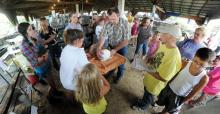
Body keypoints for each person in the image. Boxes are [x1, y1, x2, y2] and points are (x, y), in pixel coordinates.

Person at [131, 24, 182, 111]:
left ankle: (143, 106)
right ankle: (144, 101)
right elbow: (157, 59)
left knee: (149, 95)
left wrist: (145, 69)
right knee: (146, 92)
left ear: (170, 36)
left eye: (162, 33)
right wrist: (148, 60)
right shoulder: (164, 45)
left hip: (155, 85)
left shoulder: (174, 56)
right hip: (150, 79)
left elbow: (164, 78)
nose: (160, 34)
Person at [155, 48, 216, 114]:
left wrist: (181, 102)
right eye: (195, 61)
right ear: (194, 56)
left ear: (209, 65)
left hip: (179, 97)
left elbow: (193, 93)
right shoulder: (184, 63)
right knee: (163, 103)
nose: (197, 65)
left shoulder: (204, 78)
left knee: (169, 110)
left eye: (202, 65)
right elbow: (174, 76)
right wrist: (166, 85)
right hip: (169, 88)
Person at [18, 22, 56, 90]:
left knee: (50, 76)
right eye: (30, 30)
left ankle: (55, 89)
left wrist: (39, 39)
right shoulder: (24, 46)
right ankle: (54, 92)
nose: (33, 30)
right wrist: (45, 56)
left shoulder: (33, 37)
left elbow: (42, 42)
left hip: (46, 60)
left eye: (32, 28)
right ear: (24, 33)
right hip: (40, 65)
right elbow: (35, 61)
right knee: (48, 80)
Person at [96, 7, 129, 84]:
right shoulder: (107, 23)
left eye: (113, 19)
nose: (111, 21)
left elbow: (126, 41)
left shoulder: (125, 24)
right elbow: (103, 36)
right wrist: (99, 48)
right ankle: (110, 73)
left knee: (121, 63)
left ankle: (119, 76)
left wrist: (115, 50)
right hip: (111, 46)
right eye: (110, 19)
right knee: (111, 61)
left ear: (118, 15)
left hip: (122, 47)